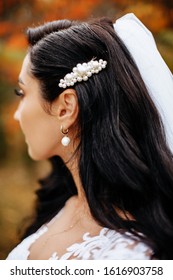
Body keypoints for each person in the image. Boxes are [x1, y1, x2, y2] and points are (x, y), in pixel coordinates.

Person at [6, 13, 173, 260]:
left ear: (66, 108)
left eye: (22, 92)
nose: (17, 115)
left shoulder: (132, 255)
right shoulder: (61, 204)